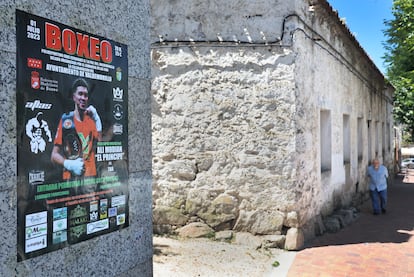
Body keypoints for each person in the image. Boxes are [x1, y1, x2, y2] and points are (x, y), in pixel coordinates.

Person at [51, 78, 102, 180]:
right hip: (70, 178)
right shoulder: (66, 120)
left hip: (89, 178)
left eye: (85, 95)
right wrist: (69, 164)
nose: (83, 98)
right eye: (80, 94)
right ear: (74, 97)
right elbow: (54, 156)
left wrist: (97, 120)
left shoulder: (92, 121)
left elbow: (100, 147)